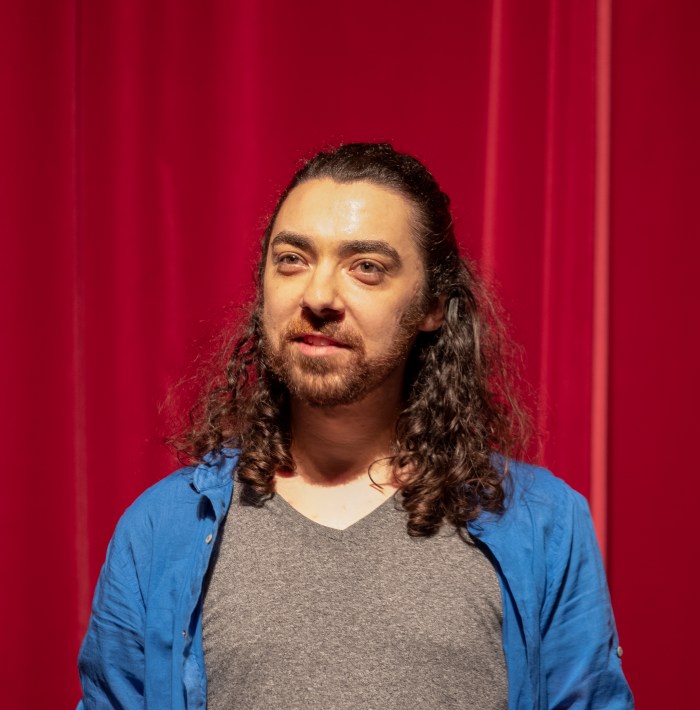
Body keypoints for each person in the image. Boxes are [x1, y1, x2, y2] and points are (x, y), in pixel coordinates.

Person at [77, 143, 633, 709]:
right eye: (292, 259)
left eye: (366, 267)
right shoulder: (161, 530)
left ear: (432, 306)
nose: (319, 296)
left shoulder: (543, 524)